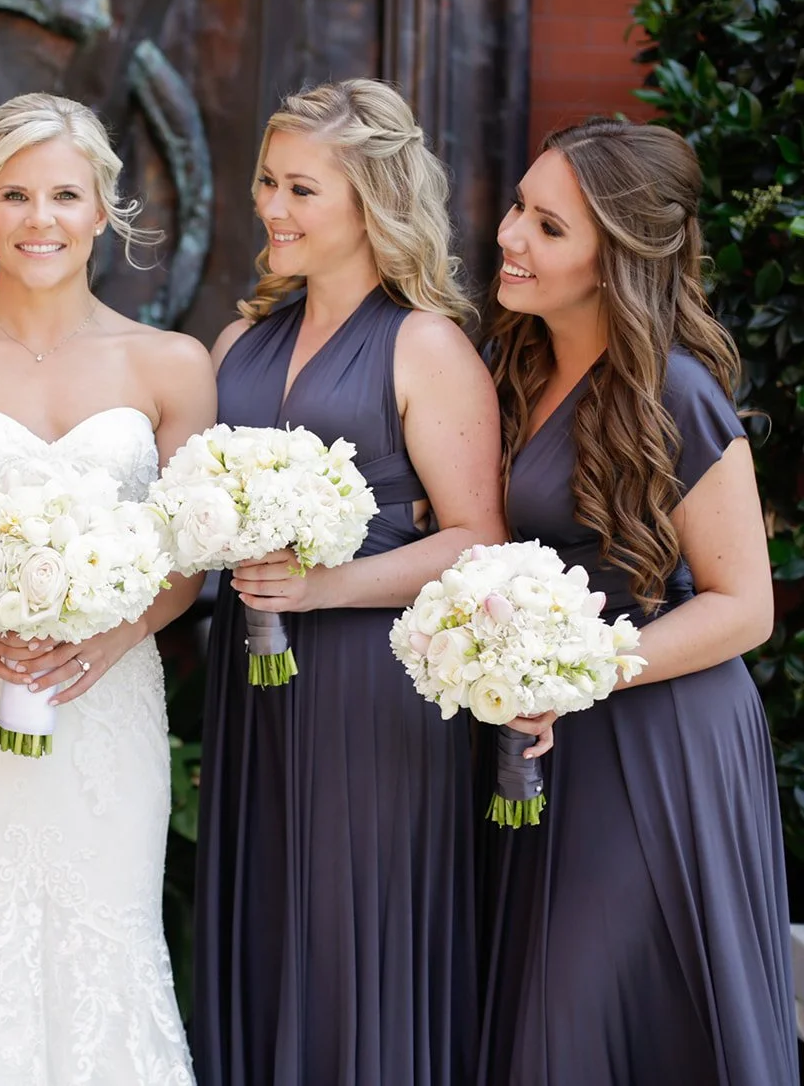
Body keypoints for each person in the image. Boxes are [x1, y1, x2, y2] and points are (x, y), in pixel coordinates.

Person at [0, 91, 214, 1083]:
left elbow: (189, 560)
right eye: (15, 196)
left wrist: (110, 638)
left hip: (107, 709)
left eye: (65, 195)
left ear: (103, 209)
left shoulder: (172, 366)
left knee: (105, 940)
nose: (40, 220)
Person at [190, 79, 505, 1086]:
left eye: (299, 190)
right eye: (266, 183)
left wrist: (322, 588)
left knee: (345, 932)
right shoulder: (239, 344)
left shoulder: (424, 344)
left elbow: (474, 537)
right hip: (250, 687)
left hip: (373, 697)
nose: (271, 209)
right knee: (263, 918)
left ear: (369, 200)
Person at [476, 118, 796, 1085]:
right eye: (519, 207)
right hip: (554, 735)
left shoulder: (675, 393)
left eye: (548, 226)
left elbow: (746, 607)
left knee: (592, 1008)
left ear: (616, 258)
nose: (509, 236)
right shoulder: (522, 365)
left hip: (661, 740)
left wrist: (577, 673)